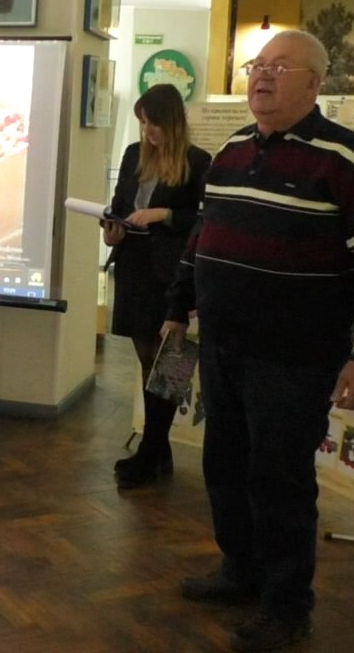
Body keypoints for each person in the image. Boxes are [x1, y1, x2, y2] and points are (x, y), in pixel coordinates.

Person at [163, 30, 354, 652]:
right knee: (224, 466)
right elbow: (201, 236)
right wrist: (177, 306)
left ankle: (286, 606)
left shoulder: (348, 159)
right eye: (257, 65)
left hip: (295, 358)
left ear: (316, 83)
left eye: (280, 66)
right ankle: (240, 571)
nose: (263, 76)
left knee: (279, 481)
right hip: (222, 346)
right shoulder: (232, 150)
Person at [105, 84, 211, 488]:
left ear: (173, 122)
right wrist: (112, 230)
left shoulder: (198, 161)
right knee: (147, 361)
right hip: (134, 266)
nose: (148, 132)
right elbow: (119, 205)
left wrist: (163, 213)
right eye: (143, 124)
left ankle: (151, 451)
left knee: (170, 363)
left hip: (173, 275)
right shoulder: (134, 154)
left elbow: (204, 220)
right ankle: (156, 450)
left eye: (154, 124)